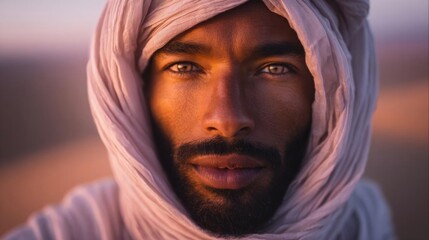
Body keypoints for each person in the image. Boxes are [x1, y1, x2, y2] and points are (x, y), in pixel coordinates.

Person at [4, 0, 395, 239]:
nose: (226, 120)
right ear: (135, 95)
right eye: (185, 66)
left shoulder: (364, 222)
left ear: (330, 96)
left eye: (275, 69)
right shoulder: (77, 231)